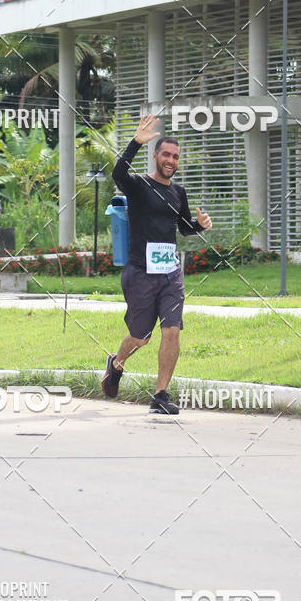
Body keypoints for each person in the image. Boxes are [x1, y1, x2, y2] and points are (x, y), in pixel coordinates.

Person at [102, 115, 212, 414]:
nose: (171, 160)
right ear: (155, 156)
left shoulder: (178, 192)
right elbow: (118, 172)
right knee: (141, 337)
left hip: (170, 274)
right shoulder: (138, 186)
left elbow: (184, 227)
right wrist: (135, 142)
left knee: (172, 331)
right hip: (140, 273)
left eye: (175, 156)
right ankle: (116, 363)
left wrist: (199, 225)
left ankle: (160, 396)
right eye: (166, 154)